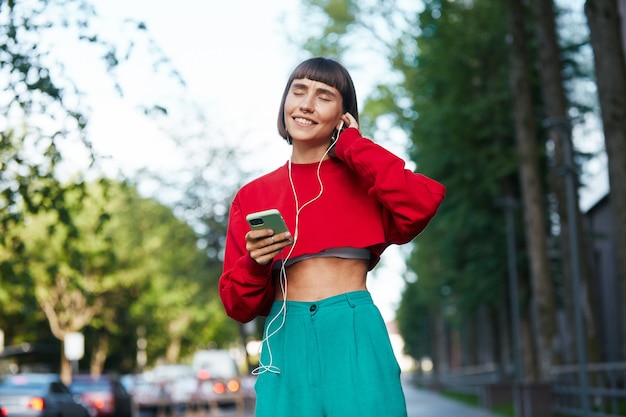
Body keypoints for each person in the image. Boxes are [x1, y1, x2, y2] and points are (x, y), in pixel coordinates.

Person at [219, 57, 446, 417]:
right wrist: (256, 263)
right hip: (284, 336)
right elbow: (237, 304)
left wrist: (353, 146)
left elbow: (420, 203)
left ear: (343, 115)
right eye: (298, 91)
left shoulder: (365, 180)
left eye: (324, 95)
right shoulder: (253, 196)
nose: (306, 104)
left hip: (353, 330)